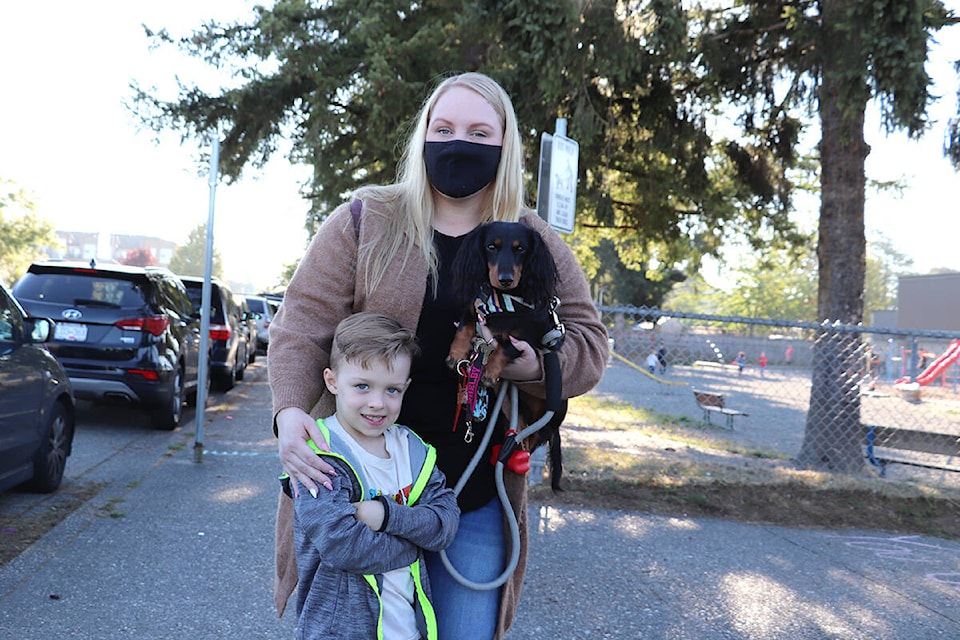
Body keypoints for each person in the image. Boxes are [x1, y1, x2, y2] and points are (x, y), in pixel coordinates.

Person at [269, 72, 609, 640]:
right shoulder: (364, 221)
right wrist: (287, 414)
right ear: (423, 134)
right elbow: (299, 327)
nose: (459, 144)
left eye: (480, 132)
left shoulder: (531, 238)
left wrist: (534, 368)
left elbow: (589, 344)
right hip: (361, 490)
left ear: (505, 146)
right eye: (444, 128)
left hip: (471, 497)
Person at [287, 312, 459, 640]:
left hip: (408, 631)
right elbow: (344, 546)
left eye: (392, 390)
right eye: (362, 386)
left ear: (406, 387)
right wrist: (415, 546)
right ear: (332, 381)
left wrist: (386, 516)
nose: (377, 403)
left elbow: (445, 523)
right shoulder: (318, 454)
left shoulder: (414, 452)